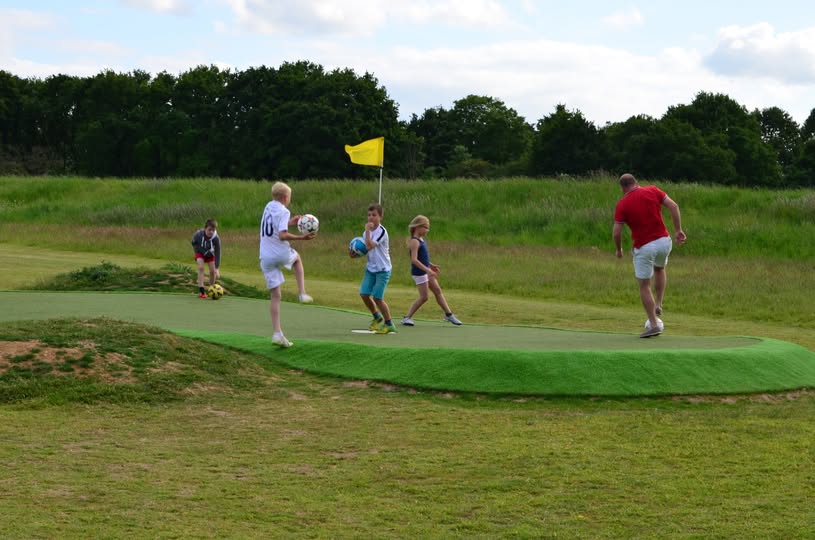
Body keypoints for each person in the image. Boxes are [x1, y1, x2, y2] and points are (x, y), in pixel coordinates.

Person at [613, 173, 687, 338]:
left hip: (644, 247)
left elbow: (617, 233)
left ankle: (653, 324)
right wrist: (678, 230)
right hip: (664, 242)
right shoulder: (653, 190)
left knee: (644, 285)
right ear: (636, 183)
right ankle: (658, 303)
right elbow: (674, 206)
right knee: (660, 268)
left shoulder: (622, 204)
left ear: (623, 187)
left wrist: (619, 250)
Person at [259, 181, 316, 348]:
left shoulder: (268, 207)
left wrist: (290, 222)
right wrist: (301, 238)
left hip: (265, 256)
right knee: (297, 259)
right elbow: (282, 235)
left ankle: (277, 333)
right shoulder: (284, 210)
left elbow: (274, 226)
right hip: (279, 251)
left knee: (275, 296)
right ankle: (302, 293)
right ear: (285, 197)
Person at [400, 215, 462, 326]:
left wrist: (431, 265)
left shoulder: (421, 240)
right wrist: (427, 270)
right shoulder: (415, 241)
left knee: (437, 291)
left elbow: (423, 258)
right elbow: (414, 260)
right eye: (425, 227)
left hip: (426, 271)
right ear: (418, 227)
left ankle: (449, 315)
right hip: (419, 273)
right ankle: (407, 317)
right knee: (424, 297)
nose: (427, 230)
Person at [349, 203, 395, 334]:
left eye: (374, 215)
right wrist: (354, 254)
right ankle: (377, 317)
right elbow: (364, 250)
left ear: (381, 216)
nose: (371, 218)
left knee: (377, 298)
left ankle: (389, 323)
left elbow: (369, 246)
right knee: (364, 294)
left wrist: (368, 231)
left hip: (382, 270)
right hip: (371, 269)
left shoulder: (382, 232)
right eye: (369, 215)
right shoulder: (366, 233)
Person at [191, 218, 221, 298]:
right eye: (209, 229)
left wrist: (217, 268)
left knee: (212, 271)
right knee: (201, 267)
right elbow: (194, 243)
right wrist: (203, 251)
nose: (211, 232)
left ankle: (212, 289)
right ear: (205, 228)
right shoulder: (198, 235)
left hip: (210, 254)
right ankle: (201, 290)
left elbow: (218, 252)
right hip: (199, 252)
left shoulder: (216, 239)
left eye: (213, 230)